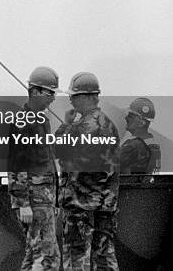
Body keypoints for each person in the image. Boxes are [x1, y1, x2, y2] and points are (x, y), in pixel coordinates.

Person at [55, 72, 120, 270]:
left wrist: (66, 124)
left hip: (79, 206)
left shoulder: (80, 128)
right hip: (105, 206)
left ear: (87, 96)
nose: (71, 100)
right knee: (104, 258)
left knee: (77, 259)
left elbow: (57, 149)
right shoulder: (109, 125)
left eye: (74, 96)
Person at [8, 66, 61, 270]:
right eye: (50, 92)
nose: (53, 98)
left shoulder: (41, 121)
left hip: (43, 199)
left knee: (33, 257)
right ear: (36, 91)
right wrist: (23, 204)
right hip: (34, 200)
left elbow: (45, 160)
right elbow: (16, 163)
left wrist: (53, 200)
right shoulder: (23, 121)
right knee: (47, 259)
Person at [120, 97, 161, 179]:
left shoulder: (134, 145)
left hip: (128, 190)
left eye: (130, 116)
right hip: (144, 189)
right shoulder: (152, 143)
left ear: (141, 122)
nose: (126, 118)